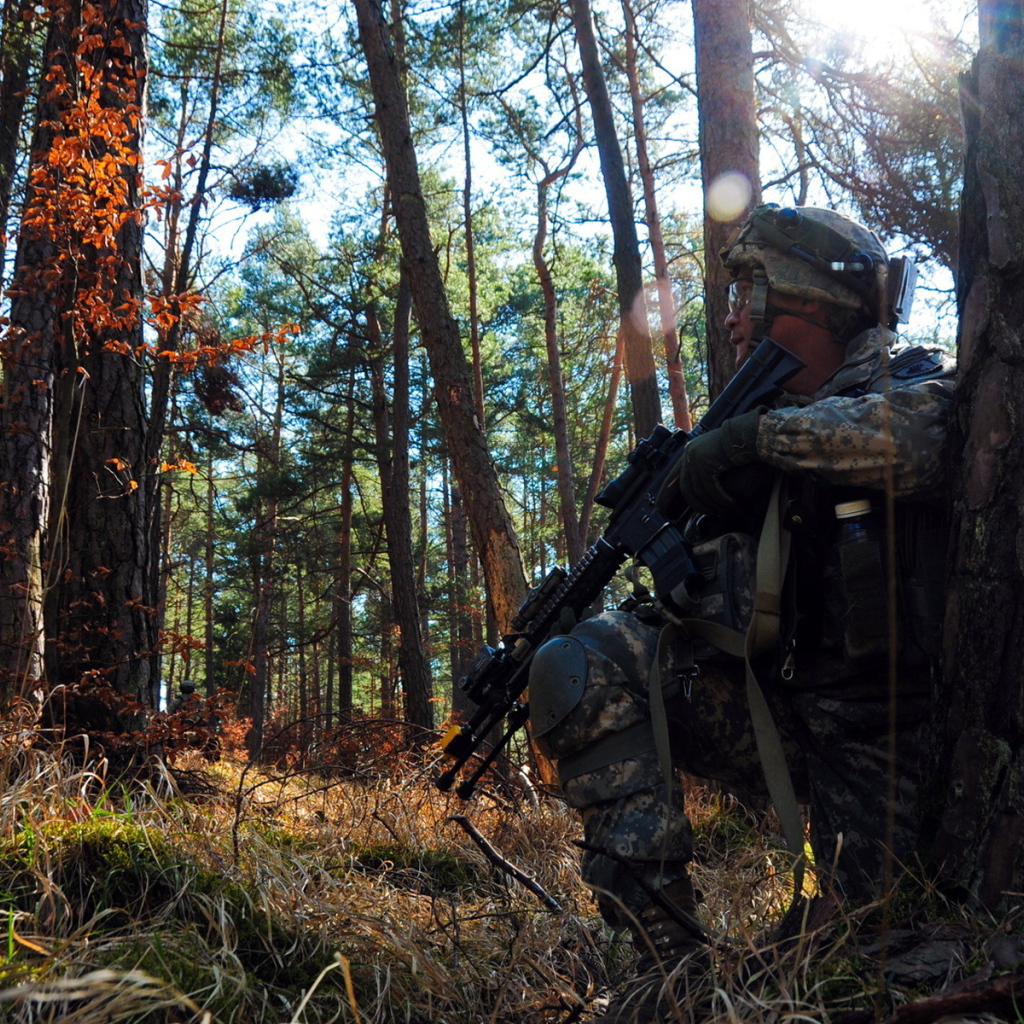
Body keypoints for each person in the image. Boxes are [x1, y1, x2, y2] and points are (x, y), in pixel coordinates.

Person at [527, 204, 955, 1023]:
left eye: (745, 295)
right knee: (583, 662)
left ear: (801, 301)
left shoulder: (915, 386)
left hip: (893, 758)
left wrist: (755, 442)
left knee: (840, 960)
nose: (728, 319)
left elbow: (929, 436)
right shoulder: (736, 440)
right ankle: (667, 968)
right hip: (786, 727)